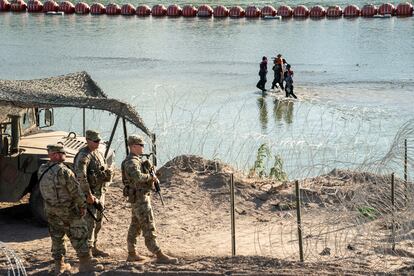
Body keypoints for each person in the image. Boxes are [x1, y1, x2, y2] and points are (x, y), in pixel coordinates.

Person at [38, 144, 103, 274]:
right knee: (80, 235)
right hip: (68, 210)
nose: (65, 155)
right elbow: (76, 192)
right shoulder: (64, 171)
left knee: (57, 237)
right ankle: (85, 264)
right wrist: (83, 206)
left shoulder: (42, 169)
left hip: (50, 210)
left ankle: (59, 265)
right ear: (56, 154)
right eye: (63, 153)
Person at [122, 135, 178, 264]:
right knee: (148, 225)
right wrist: (150, 177)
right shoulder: (132, 162)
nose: (143, 148)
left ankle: (132, 253)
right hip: (140, 198)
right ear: (134, 146)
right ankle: (158, 253)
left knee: (135, 226)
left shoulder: (136, 160)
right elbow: (137, 177)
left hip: (138, 197)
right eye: (141, 145)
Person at [73, 130, 113, 257]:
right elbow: (81, 177)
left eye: (99, 141)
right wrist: (88, 195)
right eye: (95, 141)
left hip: (100, 193)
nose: (98, 143)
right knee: (88, 224)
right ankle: (87, 252)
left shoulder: (98, 153)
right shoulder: (83, 156)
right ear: (88, 140)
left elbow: (104, 169)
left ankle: (94, 247)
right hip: (90, 196)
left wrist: (107, 174)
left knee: (98, 222)